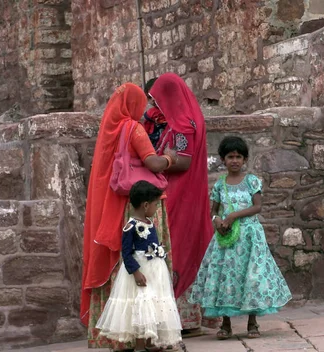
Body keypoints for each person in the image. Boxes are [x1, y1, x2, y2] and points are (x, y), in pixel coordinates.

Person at [81, 83, 178, 350]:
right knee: (146, 264)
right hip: (139, 202)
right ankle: (147, 333)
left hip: (119, 204)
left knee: (121, 269)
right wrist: (168, 158)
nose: (144, 108)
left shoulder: (110, 130)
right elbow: (152, 162)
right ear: (133, 104)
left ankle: (116, 334)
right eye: (141, 102)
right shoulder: (133, 128)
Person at [189, 136, 292, 340]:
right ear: (223, 159)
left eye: (238, 157)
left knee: (251, 277)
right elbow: (214, 211)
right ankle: (226, 324)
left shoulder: (251, 181)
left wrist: (234, 215)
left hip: (249, 237)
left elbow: (257, 206)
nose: (234, 160)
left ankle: (252, 322)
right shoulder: (220, 185)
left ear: (244, 159)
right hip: (227, 240)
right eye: (230, 157)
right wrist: (217, 221)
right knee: (227, 278)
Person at [148, 73, 214, 334]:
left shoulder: (182, 125)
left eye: (157, 98)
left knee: (176, 249)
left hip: (180, 194)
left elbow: (183, 161)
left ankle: (181, 319)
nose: (154, 104)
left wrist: (157, 161)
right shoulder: (184, 121)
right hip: (183, 192)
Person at [96, 181, 182, 351]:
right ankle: (140, 345)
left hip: (154, 271)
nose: (157, 207)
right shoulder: (131, 226)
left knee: (153, 303)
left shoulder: (150, 222)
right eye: (156, 204)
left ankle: (151, 341)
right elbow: (126, 253)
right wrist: (135, 272)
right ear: (145, 205)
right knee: (141, 303)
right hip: (140, 270)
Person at [142, 77, 167, 148]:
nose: (153, 100)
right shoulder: (151, 113)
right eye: (149, 98)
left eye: (154, 95)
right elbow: (146, 131)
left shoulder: (171, 111)